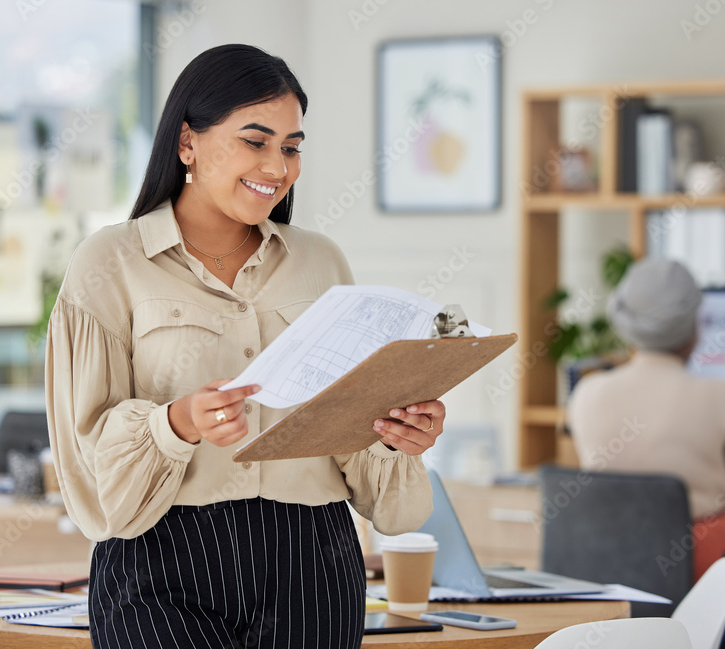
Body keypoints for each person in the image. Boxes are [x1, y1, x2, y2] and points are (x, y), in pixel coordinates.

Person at [44, 44, 442, 649]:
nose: (277, 166)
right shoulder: (110, 263)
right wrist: (176, 422)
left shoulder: (321, 262)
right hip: (160, 563)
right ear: (187, 143)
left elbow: (359, 456)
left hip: (314, 563)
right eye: (255, 141)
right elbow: (87, 463)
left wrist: (395, 433)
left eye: (291, 146)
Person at [568, 257, 725, 649]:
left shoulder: (586, 392)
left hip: (612, 587)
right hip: (699, 580)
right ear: (692, 328)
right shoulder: (720, 397)